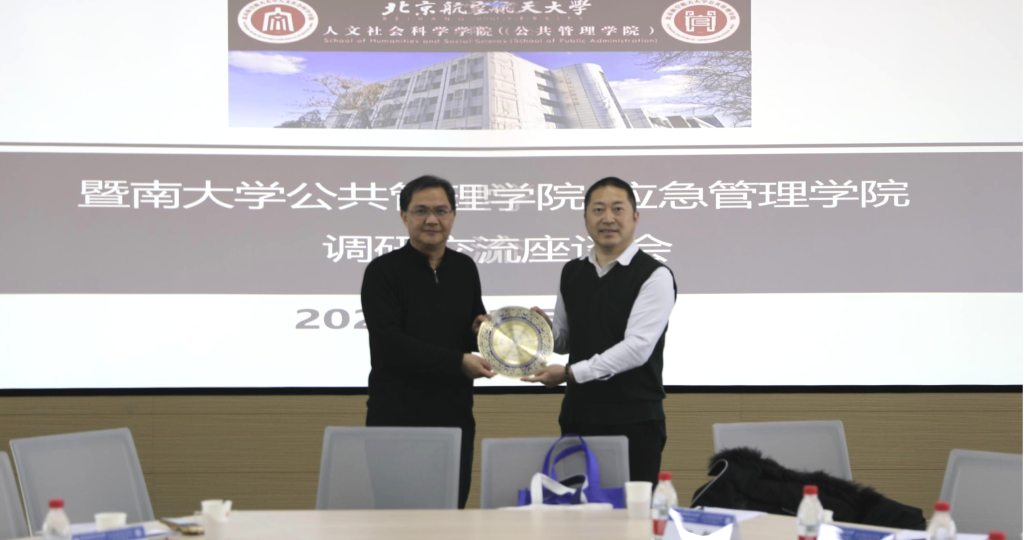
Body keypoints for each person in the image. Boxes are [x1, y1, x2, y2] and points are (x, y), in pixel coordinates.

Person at [521, 176, 677, 486]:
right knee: (576, 508)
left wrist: (569, 373)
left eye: (618, 209)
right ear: (585, 218)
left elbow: (637, 349)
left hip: (634, 419)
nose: (607, 218)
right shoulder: (572, 271)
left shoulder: (655, 275)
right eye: (598, 209)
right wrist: (542, 331)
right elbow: (565, 341)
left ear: (635, 217)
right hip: (578, 414)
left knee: (633, 512)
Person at [360, 175, 495, 509]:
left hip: (454, 416)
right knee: (397, 521)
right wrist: (457, 362)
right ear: (404, 216)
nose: (432, 219)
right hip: (396, 419)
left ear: (453, 216)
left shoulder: (465, 268)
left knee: (451, 517)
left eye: (441, 211)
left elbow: (470, 327)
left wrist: (485, 331)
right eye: (421, 211)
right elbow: (389, 343)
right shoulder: (382, 271)